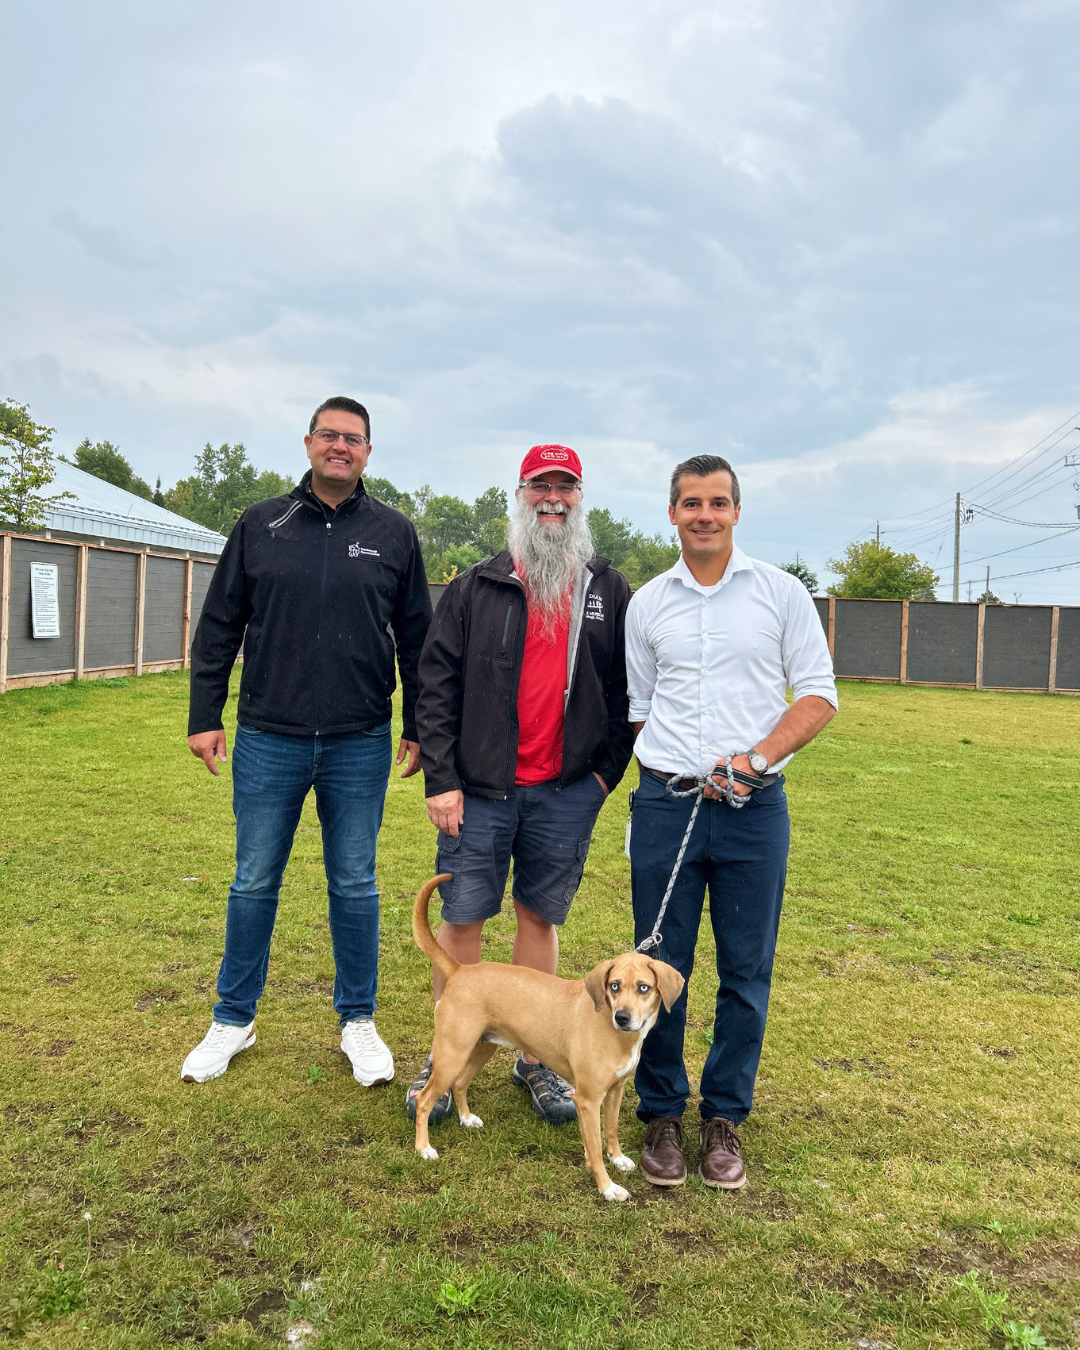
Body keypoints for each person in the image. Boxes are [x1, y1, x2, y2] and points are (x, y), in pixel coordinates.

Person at [181, 396, 432, 1087]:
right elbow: (218, 628)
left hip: (359, 740)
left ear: (368, 454)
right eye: (329, 435)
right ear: (308, 442)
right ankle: (234, 1018)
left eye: (353, 439)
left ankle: (358, 1020)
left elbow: (418, 642)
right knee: (253, 879)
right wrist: (207, 715)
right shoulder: (262, 524)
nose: (340, 447)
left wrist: (417, 724)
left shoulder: (394, 533)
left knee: (354, 883)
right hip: (269, 737)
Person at [625, 453, 837, 1189]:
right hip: (666, 805)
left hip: (753, 810)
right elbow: (641, 708)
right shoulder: (648, 603)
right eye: (691, 503)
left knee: (747, 970)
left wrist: (756, 758)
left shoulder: (782, 595)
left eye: (718, 502)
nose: (704, 515)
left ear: (737, 512)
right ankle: (660, 1114)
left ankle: (723, 1117)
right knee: (658, 965)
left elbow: (817, 695)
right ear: (674, 513)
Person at [412, 444, 634, 1124]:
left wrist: (601, 776)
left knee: (539, 917)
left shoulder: (607, 589)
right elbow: (435, 684)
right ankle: (448, 1049)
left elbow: (633, 690)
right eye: (541, 486)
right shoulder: (476, 586)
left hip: (566, 792)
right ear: (520, 495)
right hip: (478, 791)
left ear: (580, 500)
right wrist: (442, 780)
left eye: (565, 488)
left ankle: (534, 1060)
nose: (553, 499)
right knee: (463, 917)